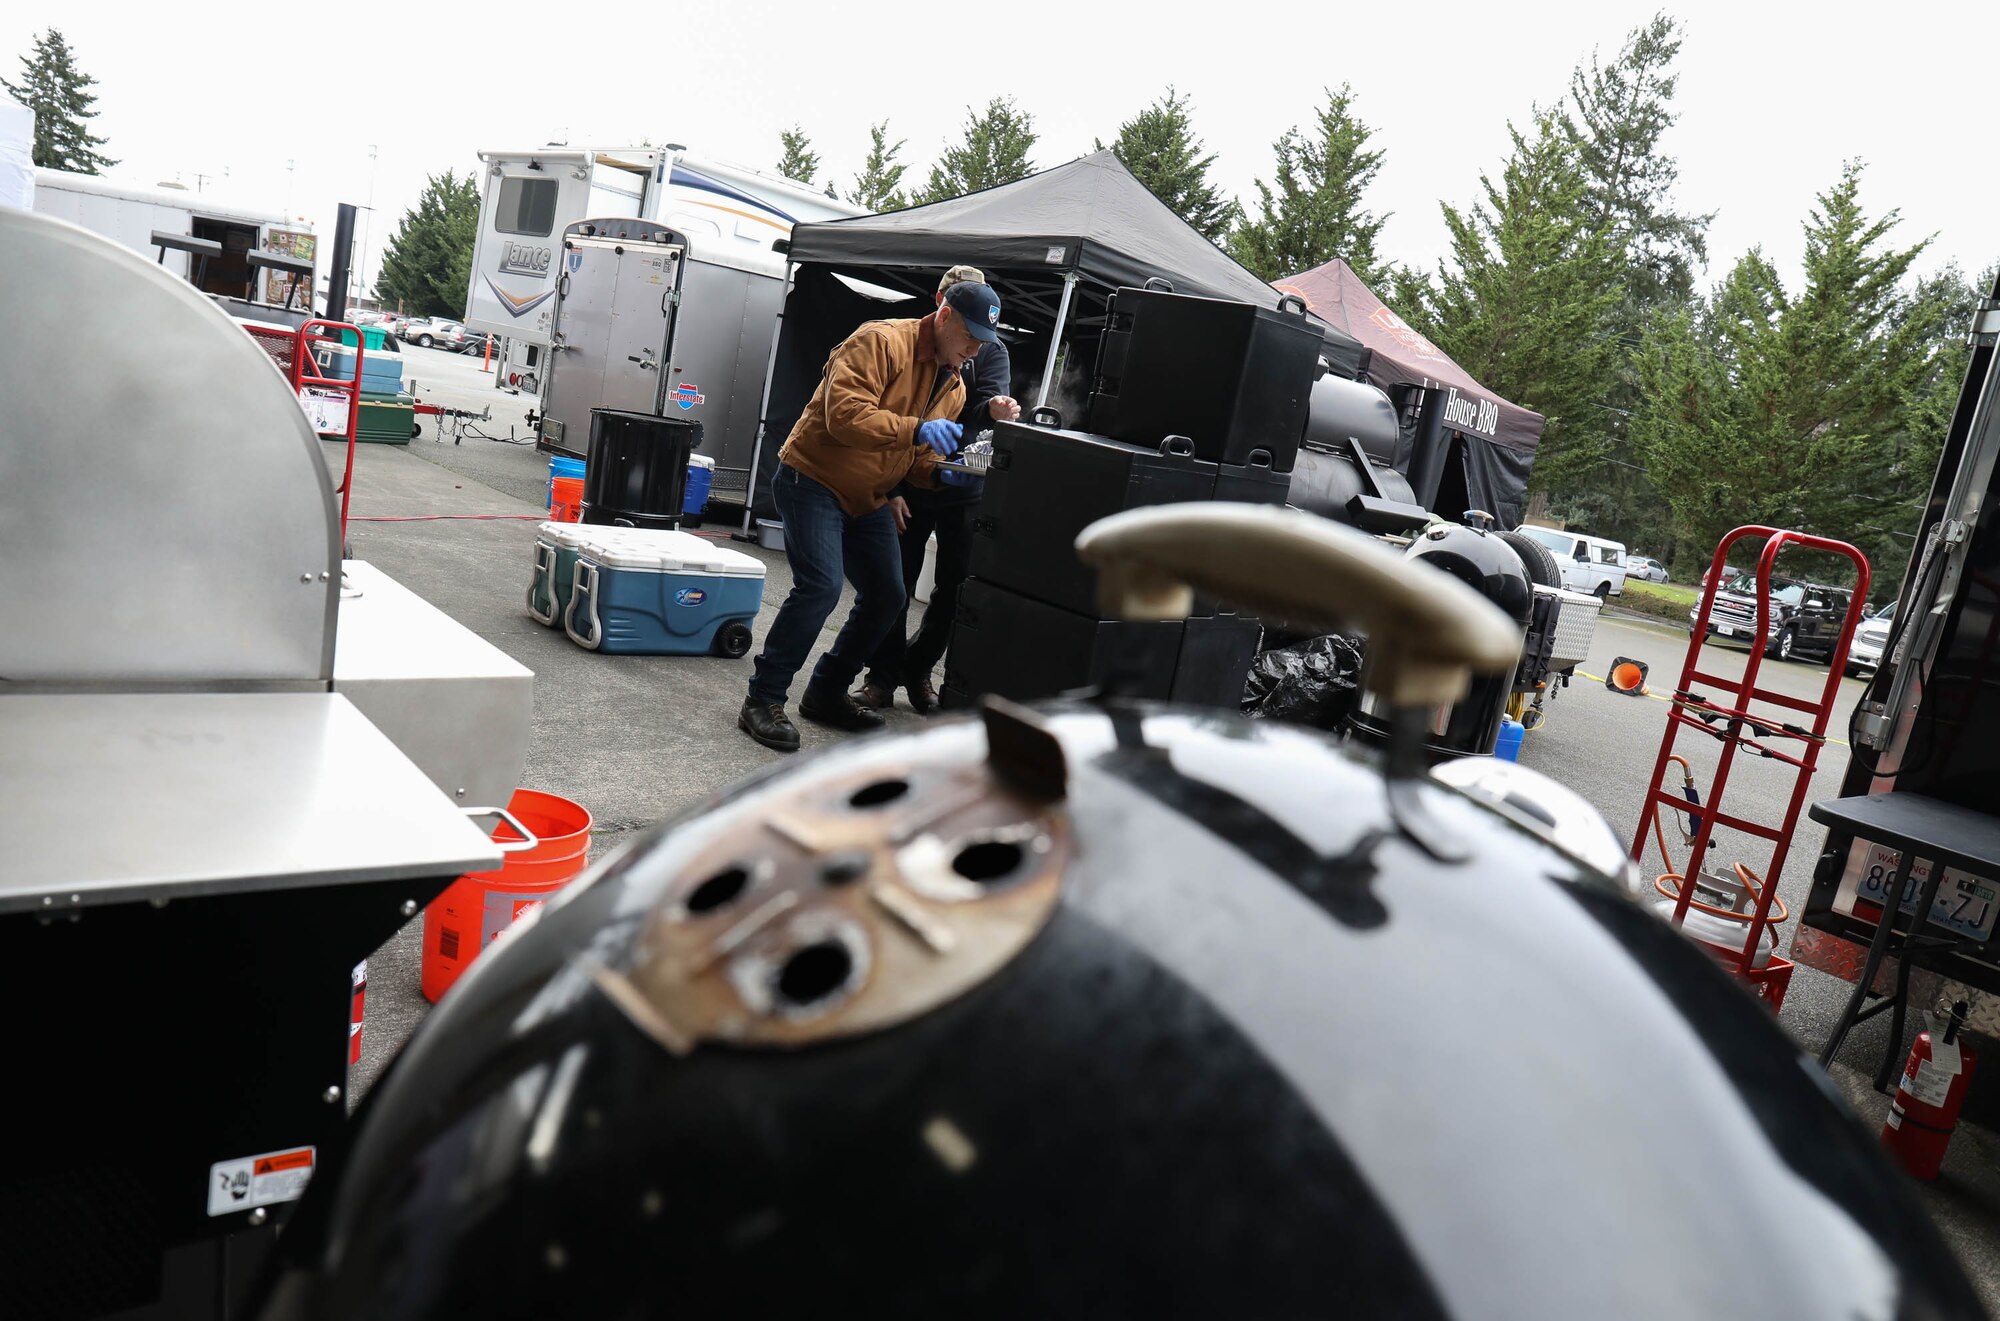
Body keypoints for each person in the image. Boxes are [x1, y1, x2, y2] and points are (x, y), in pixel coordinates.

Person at [738, 280, 999, 752]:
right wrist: (916, 428)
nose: (974, 349)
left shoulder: (955, 388)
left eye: (983, 341)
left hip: (870, 496)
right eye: (969, 336)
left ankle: (825, 693)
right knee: (820, 587)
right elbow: (844, 415)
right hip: (814, 478)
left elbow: (916, 464)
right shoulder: (880, 340)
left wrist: (944, 476)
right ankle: (763, 699)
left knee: (887, 597)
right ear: (943, 317)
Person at [856, 265, 1020, 714]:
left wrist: (996, 407)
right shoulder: (905, 342)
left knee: (956, 587)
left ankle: (919, 668)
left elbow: (991, 401)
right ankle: (881, 677)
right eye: (953, 301)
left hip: (963, 482)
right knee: (894, 583)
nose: (970, 345)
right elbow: (882, 417)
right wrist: (889, 487)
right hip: (910, 478)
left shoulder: (988, 350)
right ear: (942, 305)